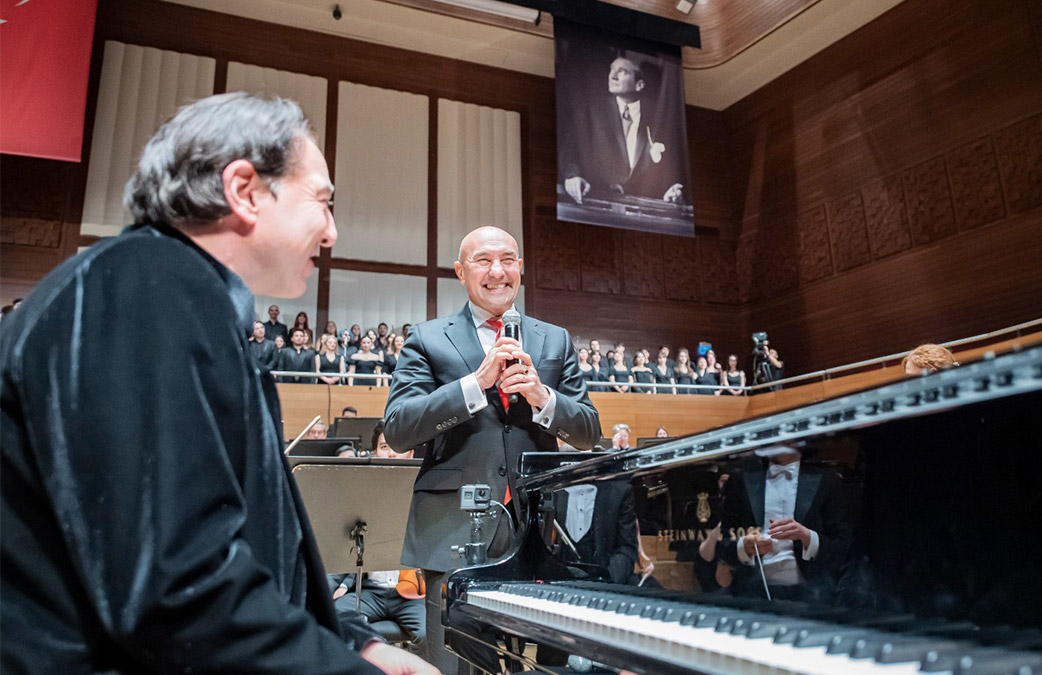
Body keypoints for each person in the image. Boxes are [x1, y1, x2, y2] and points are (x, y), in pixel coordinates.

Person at [0, 93, 434, 674]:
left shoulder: (176, 293)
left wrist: (358, 645)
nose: (331, 232)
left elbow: (254, 550)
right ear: (245, 190)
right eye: (322, 202)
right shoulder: (145, 286)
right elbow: (175, 587)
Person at [384, 225, 600, 674]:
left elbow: (588, 432)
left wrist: (543, 397)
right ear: (460, 271)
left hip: (535, 534)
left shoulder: (555, 339)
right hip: (451, 531)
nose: (497, 271)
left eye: (507, 260)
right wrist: (474, 385)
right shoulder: (427, 338)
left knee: (535, 666)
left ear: (520, 268)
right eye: (483, 260)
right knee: (454, 666)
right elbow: (399, 430)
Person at [708, 444, 851, 602]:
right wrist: (744, 547)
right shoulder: (740, 480)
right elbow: (721, 544)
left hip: (812, 596)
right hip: (752, 595)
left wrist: (807, 537)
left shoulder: (827, 481)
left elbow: (843, 546)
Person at [560, 55, 687, 205]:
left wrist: (668, 192)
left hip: (643, 208)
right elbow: (570, 150)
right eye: (611, 69)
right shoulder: (590, 111)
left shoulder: (657, 119)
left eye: (622, 71)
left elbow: (662, 169)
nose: (612, 76)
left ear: (639, 85)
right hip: (596, 203)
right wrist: (572, 177)